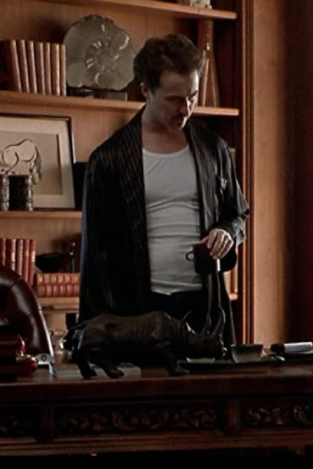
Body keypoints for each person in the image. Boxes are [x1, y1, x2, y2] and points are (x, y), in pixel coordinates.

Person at [79, 34, 249, 346]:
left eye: (192, 97)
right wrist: (95, 333)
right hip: (138, 310)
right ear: (146, 90)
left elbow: (238, 214)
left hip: (205, 304)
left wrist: (227, 232)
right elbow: (95, 257)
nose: (186, 108)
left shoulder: (213, 149)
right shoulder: (109, 159)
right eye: (174, 99)